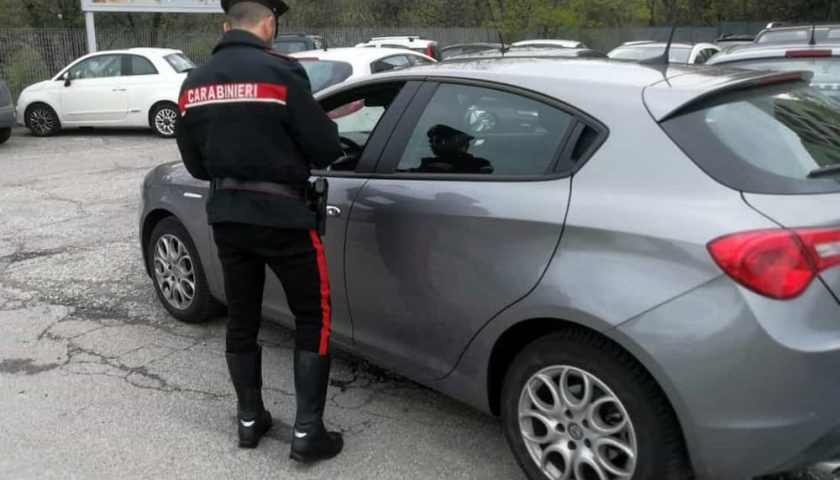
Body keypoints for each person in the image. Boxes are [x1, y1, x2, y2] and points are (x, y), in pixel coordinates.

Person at [174, 0, 344, 464]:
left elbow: (194, 164)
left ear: (227, 26)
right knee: (314, 317)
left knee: (242, 318)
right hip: (285, 217)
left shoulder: (192, 83)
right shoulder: (282, 72)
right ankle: (308, 432)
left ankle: (250, 421)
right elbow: (325, 148)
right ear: (269, 24)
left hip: (228, 216)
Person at [414, 124, 493, 174]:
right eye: (431, 142)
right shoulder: (428, 165)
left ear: (457, 141)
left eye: (438, 141)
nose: (432, 145)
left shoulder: (480, 165)